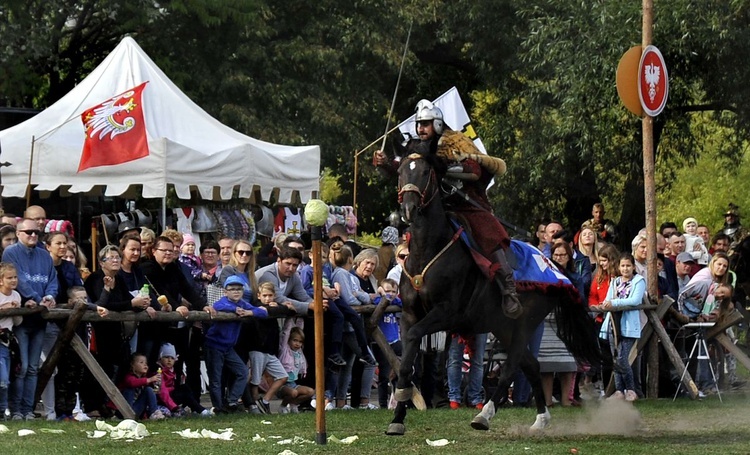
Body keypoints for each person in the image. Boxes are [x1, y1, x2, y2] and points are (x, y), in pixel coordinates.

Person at [374, 99, 521, 318]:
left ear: (438, 123)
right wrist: (385, 163)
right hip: (432, 207)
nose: (421, 128)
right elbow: (405, 170)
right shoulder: (415, 147)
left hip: (462, 203)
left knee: (487, 230)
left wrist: (443, 166)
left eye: (425, 123)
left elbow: (474, 170)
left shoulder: (455, 141)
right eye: (419, 124)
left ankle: (508, 288)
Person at [3, 219, 57, 420]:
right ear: (18, 233)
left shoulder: (45, 255)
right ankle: (16, 409)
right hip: (22, 319)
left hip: (40, 318)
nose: (33, 235)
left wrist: (49, 297)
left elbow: (53, 279)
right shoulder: (11, 252)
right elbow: (20, 282)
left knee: (34, 368)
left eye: (36, 232)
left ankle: (28, 409)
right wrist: (36, 298)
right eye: (28, 232)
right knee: (22, 367)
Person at [204, 275, 267, 413]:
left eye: (239, 289)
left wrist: (249, 312)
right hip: (214, 345)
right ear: (226, 292)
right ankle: (218, 408)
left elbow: (262, 312)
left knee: (243, 372)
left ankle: (232, 401)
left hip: (228, 347)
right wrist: (234, 310)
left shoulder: (243, 304)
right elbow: (219, 306)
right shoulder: (222, 302)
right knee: (216, 378)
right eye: (232, 289)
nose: (236, 291)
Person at [42, 231, 84, 420]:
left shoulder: (69, 267)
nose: (62, 247)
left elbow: (77, 288)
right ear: (48, 246)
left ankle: (67, 410)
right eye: (58, 243)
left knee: (71, 367)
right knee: (50, 366)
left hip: (69, 320)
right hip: (49, 320)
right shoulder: (43, 266)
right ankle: (50, 409)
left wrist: (74, 299)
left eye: (64, 243)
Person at [597, 253, 645, 402]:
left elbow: (635, 300)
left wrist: (615, 303)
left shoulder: (638, 281)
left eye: (628, 266)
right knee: (615, 359)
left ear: (633, 267)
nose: (625, 269)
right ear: (619, 267)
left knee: (623, 359)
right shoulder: (615, 281)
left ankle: (630, 389)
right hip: (613, 325)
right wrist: (604, 305)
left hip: (629, 325)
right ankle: (619, 390)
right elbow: (608, 299)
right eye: (623, 266)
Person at [240, 281, 292, 415]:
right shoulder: (256, 307)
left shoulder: (275, 308)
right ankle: (254, 405)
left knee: (282, 376)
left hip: (270, 350)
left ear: (274, 296)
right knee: (255, 380)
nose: (267, 299)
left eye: (270, 296)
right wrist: (276, 307)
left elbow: (287, 308)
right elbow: (262, 311)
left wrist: (278, 307)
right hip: (257, 348)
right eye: (265, 296)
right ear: (259, 296)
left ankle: (265, 401)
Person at [155, 343, 212, 417]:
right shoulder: (159, 372)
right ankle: (200, 410)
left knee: (185, 388)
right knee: (184, 391)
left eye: (172, 358)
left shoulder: (171, 371)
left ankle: (195, 408)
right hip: (162, 400)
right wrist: (174, 407)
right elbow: (163, 392)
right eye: (166, 357)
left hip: (169, 397)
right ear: (160, 358)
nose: (169, 360)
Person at [371, 277, 402, 408]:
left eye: (394, 291)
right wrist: (383, 295)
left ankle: (398, 400)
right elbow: (378, 301)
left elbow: (401, 302)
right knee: (384, 374)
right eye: (387, 290)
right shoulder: (378, 300)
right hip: (382, 342)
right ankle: (382, 403)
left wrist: (392, 297)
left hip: (395, 340)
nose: (391, 294)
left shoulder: (396, 302)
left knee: (399, 370)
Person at [0, 262, 22, 418]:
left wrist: (15, 311)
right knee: (2, 378)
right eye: (9, 278)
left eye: (15, 277)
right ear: (1, 280)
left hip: (8, 339)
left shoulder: (16, 295)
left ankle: (4, 410)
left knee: (7, 378)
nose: (13, 280)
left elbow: (17, 322)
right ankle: (2, 409)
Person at [278, 326, 314, 414]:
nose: (297, 344)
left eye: (300, 342)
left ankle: (294, 404)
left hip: (293, 383)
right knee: (294, 393)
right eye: (295, 340)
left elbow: (300, 326)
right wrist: (291, 316)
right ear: (288, 340)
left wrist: (300, 316)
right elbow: (285, 333)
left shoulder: (299, 352)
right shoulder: (285, 350)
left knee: (310, 392)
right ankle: (283, 405)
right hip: (281, 384)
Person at [117, 353, 165, 420]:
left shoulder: (144, 379)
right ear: (133, 365)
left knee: (148, 389)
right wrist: (149, 379)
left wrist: (155, 385)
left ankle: (154, 413)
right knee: (129, 389)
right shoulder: (128, 377)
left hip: (136, 410)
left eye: (146, 363)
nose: (145, 365)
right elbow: (132, 383)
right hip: (124, 410)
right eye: (141, 362)